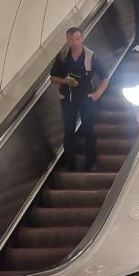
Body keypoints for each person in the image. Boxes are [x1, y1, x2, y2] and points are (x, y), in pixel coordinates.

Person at [49, 26, 110, 172]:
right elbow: (53, 77)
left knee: (89, 129)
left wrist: (97, 94)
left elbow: (105, 77)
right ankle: (70, 163)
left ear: (82, 39)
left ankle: (91, 162)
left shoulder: (91, 56)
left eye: (77, 39)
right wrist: (65, 81)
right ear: (68, 40)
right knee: (69, 131)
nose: (75, 42)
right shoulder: (63, 56)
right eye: (71, 39)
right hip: (68, 99)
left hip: (87, 99)